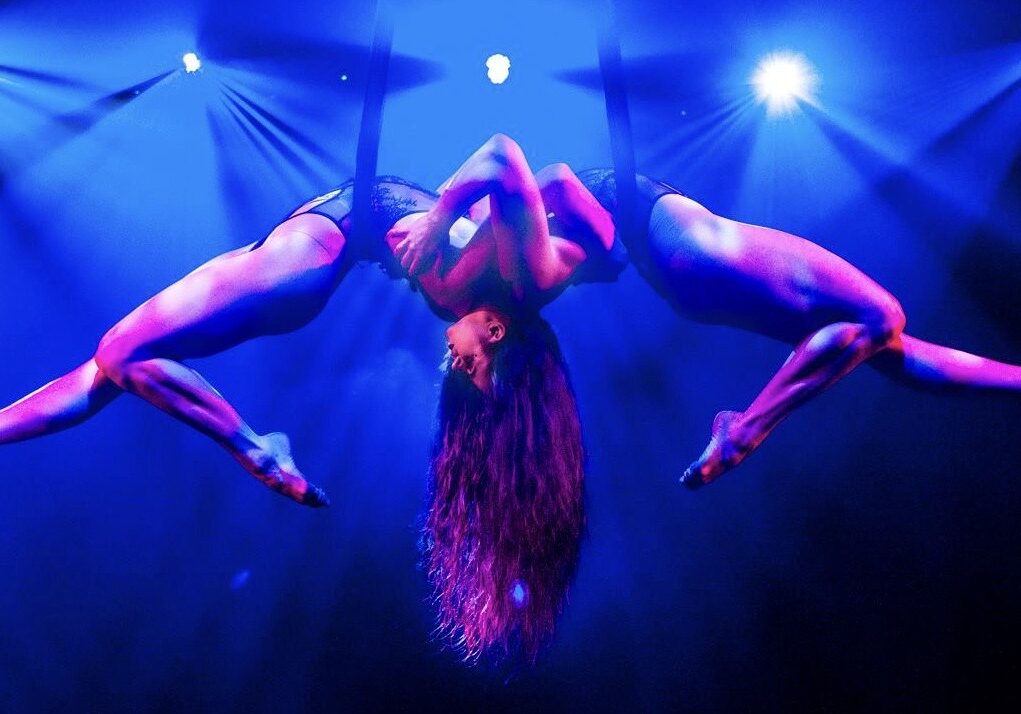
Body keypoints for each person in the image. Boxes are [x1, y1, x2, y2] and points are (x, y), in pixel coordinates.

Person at [0, 134, 613, 662]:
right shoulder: (530, 274)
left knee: (121, 355)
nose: (454, 361)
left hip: (323, 246)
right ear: (499, 335)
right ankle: (255, 449)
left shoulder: (504, 280)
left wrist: (469, 218)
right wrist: (449, 213)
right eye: (471, 366)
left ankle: (257, 449)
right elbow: (512, 160)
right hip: (337, 220)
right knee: (114, 365)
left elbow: (552, 186)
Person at [475, 163, 1021, 489]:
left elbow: (607, 254)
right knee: (881, 316)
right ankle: (744, 428)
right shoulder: (525, 238)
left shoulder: (527, 262)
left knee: (886, 345)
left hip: (685, 273)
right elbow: (555, 179)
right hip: (694, 246)